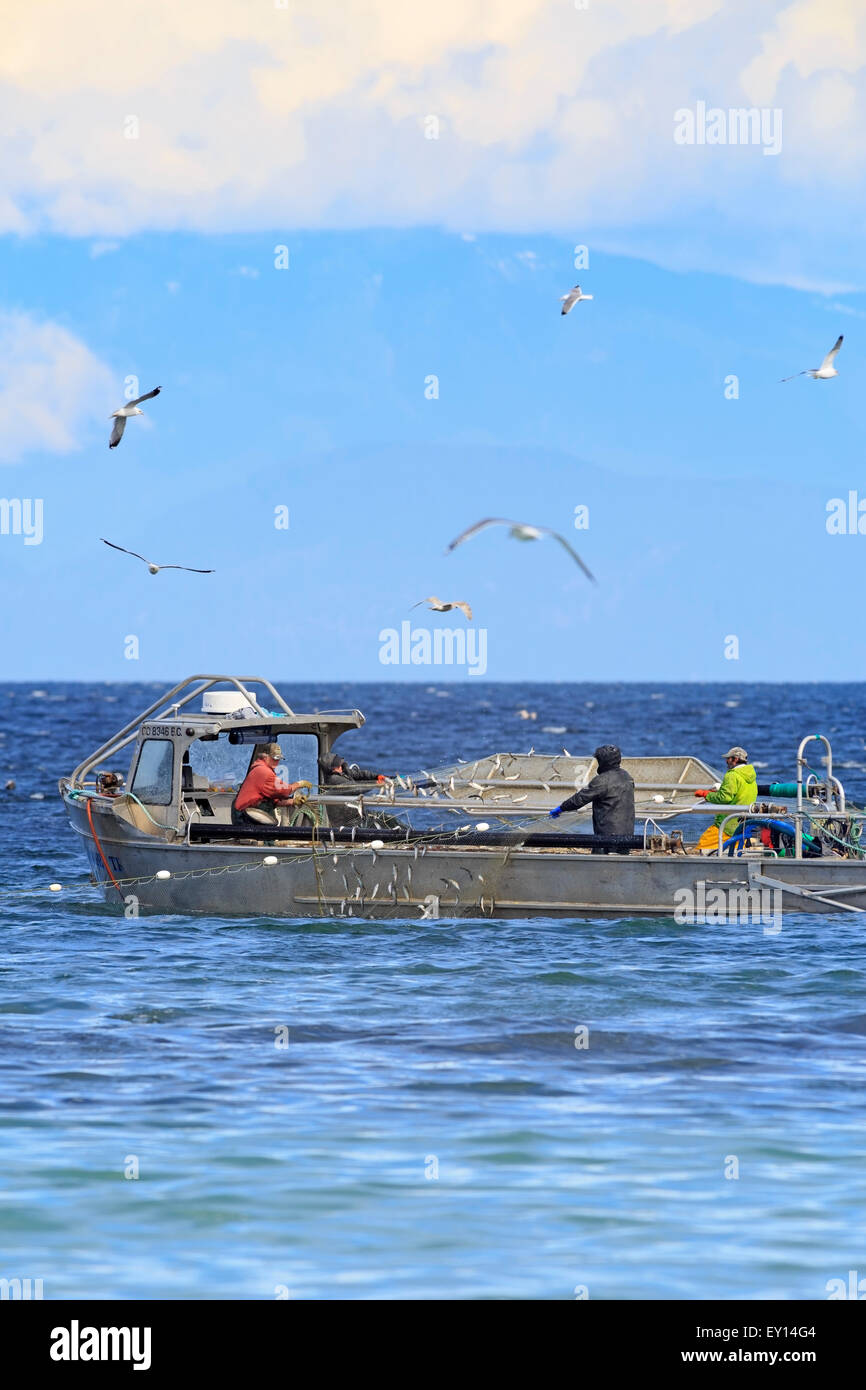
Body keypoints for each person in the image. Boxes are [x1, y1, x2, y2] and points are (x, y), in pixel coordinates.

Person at [549, 744, 636, 847]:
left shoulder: (602, 780)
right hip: (628, 835)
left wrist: (561, 808)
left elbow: (579, 799)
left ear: (602, 761)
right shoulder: (627, 776)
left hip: (607, 836)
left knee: (602, 859)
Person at [692, 746, 758, 853]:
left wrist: (706, 794)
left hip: (727, 824)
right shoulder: (751, 777)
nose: (726, 761)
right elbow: (737, 794)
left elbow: (725, 797)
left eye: (728, 758)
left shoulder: (732, 775)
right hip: (742, 824)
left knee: (702, 846)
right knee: (738, 852)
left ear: (735, 759)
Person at [232, 743, 311, 826]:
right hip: (245, 817)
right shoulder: (263, 772)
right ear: (265, 757)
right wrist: (299, 784)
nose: (277, 762)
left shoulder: (264, 770)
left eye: (279, 758)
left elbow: (274, 801)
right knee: (269, 836)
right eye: (274, 758)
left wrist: (293, 801)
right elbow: (284, 791)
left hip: (250, 813)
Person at [319, 752, 389, 787]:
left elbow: (359, 774)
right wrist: (375, 783)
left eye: (339, 763)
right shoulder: (334, 779)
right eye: (337, 766)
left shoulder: (344, 771)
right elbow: (355, 788)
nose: (340, 766)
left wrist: (376, 776)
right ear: (331, 770)